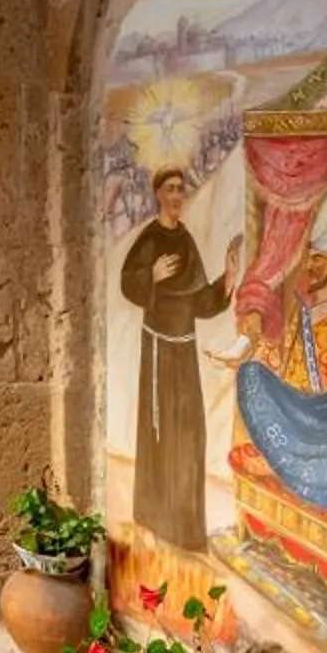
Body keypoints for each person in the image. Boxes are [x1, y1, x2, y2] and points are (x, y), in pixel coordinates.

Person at [116, 166, 242, 554]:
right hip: (158, 351)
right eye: (170, 189)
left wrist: (227, 280)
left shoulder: (185, 239)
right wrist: (150, 276)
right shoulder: (150, 238)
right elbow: (128, 282)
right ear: (157, 194)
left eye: (181, 190)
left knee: (189, 434)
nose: (177, 195)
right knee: (159, 433)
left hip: (183, 350)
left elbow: (199, 302)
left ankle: (185, 527)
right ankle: (155, 515)